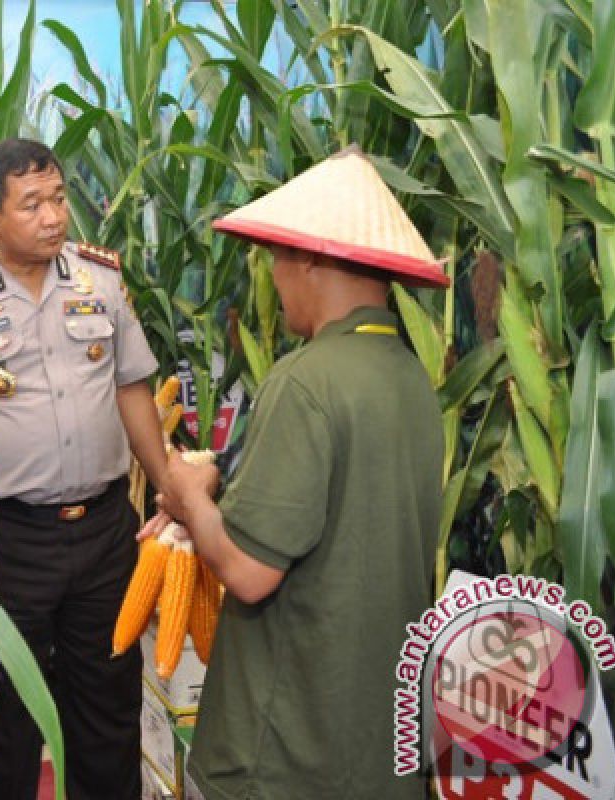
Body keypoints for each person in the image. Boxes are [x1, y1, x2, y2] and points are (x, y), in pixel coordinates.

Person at [154, 147, 448, 799]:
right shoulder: (409, 377)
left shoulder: (308, 380)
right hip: (375, 744)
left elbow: (251, 574)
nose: (276, 277)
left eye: (277, 259)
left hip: (290, 749)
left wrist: (189, 493)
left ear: (309, 257)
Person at [0, 138, 169, 800]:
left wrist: (166, 485)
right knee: (6, 721)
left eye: (58, 198)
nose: (53, 217)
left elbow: (133, 386)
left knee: (106, 715)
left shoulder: (99, 279)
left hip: (104, 532)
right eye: (32, 205)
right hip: (8, 538)